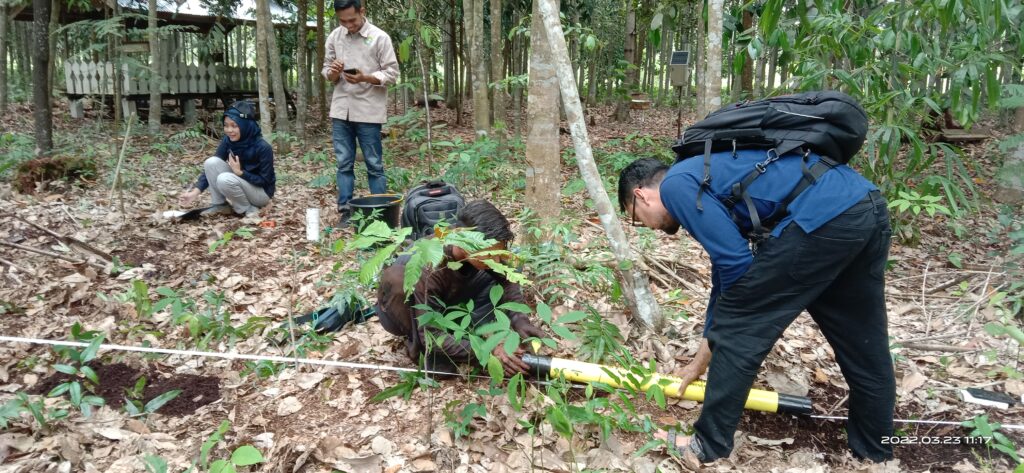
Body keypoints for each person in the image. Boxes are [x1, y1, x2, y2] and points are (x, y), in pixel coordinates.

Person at [618, 152, 894, 467]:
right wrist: (698, 364)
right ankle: (875, 452)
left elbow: (737, 267)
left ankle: (706, 444)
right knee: (864, 344)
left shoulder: (676, 186)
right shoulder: (709, 177)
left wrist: (724, 333)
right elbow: (725, 274)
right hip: (864, 206)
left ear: (640, 195)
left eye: (635, 217)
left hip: (820, 218)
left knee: (738, 330)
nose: (645, 226)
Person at [376, 200, 545, 376]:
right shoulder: (430, 265)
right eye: (488, 254)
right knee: (397, 281)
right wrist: (486, 350)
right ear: (463, 241)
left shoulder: (481, 249)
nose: (493, 260)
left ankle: (472, 330)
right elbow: (431, 335)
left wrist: (518, 318)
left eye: (496, 252)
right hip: (403, 308)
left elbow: (508, 278)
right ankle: (422, 351)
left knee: (509, 265)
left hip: (447, 299)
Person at [322, 0, 400, 226]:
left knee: (374, 164)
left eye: (352, 20)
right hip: (340, 110)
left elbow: (392, 74)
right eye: (343, 21)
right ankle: (346, 210)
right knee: (343, 162)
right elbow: (327, 71)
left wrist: (365, 77)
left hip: (368, 111)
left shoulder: (380, 37)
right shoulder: (335, 37)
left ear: (362, 12)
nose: (348, 25)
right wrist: (333, 73)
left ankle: (380, 213)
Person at [179, 101, 275, 218]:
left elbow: (265, 181)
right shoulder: (228, 140)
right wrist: (195, 192)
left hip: (261, 193)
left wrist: (241, 173)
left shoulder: (263, 147)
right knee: (211, 162)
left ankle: (248, 209)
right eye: (226, 125)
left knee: (224, 179)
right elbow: (212, 168)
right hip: (239, 181)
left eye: (234, 126)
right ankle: (220, 205)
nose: (229, 130)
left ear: (245, 125)